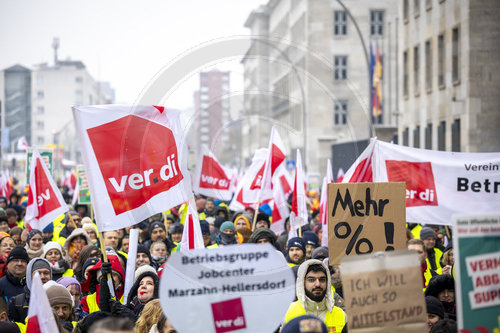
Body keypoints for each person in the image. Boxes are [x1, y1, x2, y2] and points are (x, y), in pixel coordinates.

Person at [284, 259, 347, 332]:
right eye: (311, 280)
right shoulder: (288, 312)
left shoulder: (341, 315)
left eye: (322, 280)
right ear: (303, 283)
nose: (318, 284)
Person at [8, 257, 52, 323]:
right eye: (37, 273)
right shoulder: (17, 303)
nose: (42, 277)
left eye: (46, 273)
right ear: (29, 276)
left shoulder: (58, 298)